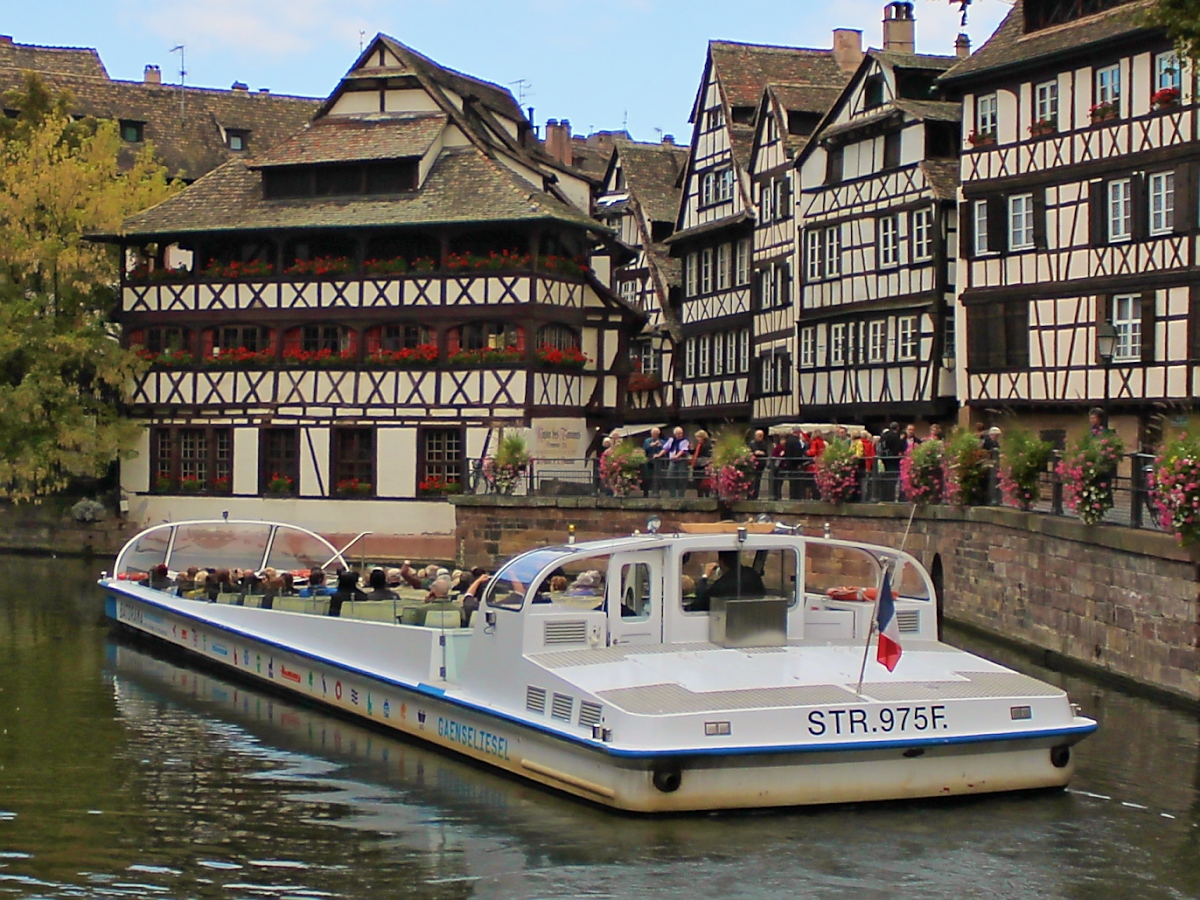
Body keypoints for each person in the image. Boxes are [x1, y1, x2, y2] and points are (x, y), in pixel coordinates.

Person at [691, 550, 766, 612]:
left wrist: (705, 576)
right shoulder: (753, 575)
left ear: (721, 562)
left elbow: (700, 604)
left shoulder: (720, 586)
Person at [878, 422, 905, 500]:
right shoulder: (895, 436)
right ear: (897, 428)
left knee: (885, 477)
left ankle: (883, 496)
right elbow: (899, 447)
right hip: (893, 459)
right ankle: (890, 496)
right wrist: (901, 440)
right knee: (892, 477)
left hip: (884, 459)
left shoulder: (884, 436)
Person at [663, 426, 691, 498]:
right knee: (670, 477)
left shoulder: (685, 441)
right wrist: (658, 455)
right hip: (672, 461)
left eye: (681, 433)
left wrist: (676, 456)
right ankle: (672, 494)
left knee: (682, 478)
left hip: (681, 461)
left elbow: (683, 450)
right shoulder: (671, 440)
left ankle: (681, 495)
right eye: (678, 433)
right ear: (675, 434)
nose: (680, 435)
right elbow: (666, 449)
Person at [747, 429, 769, 499]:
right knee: (752, 480)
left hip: (761, 465)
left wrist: (759, 452)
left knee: (758, 480)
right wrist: (756, 453)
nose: (761, 437)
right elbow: (752, 452)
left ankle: (756, 495)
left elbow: (765, 453)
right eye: (759, 436)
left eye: (762, 436)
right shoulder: (752, 443)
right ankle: (750, 495)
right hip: (753, 465)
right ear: (755, 436)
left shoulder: (764, 444)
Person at [642, 427, 664, 496]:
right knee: (647, 478)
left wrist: (660, 446)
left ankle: (656, 493)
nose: (654, 435)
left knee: (657, 477)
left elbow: (665, 449)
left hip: (658, 462)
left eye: (656, 434)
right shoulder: (647, 441)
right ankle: (646, 493)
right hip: (648, 461)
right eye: (653, 434)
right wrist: (651, 445)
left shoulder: (662, 441)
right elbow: (644, 449)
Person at [692, 429, 713, 497]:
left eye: (698, 437)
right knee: (697, 483)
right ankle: (699, 496)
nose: (697, 439)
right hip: (697, 467)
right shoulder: (699, 445)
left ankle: (706, 496)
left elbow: (708, 456)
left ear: (702, 437)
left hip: (703, 467)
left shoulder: (708, 445)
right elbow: (695, 452)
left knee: (704, 484)